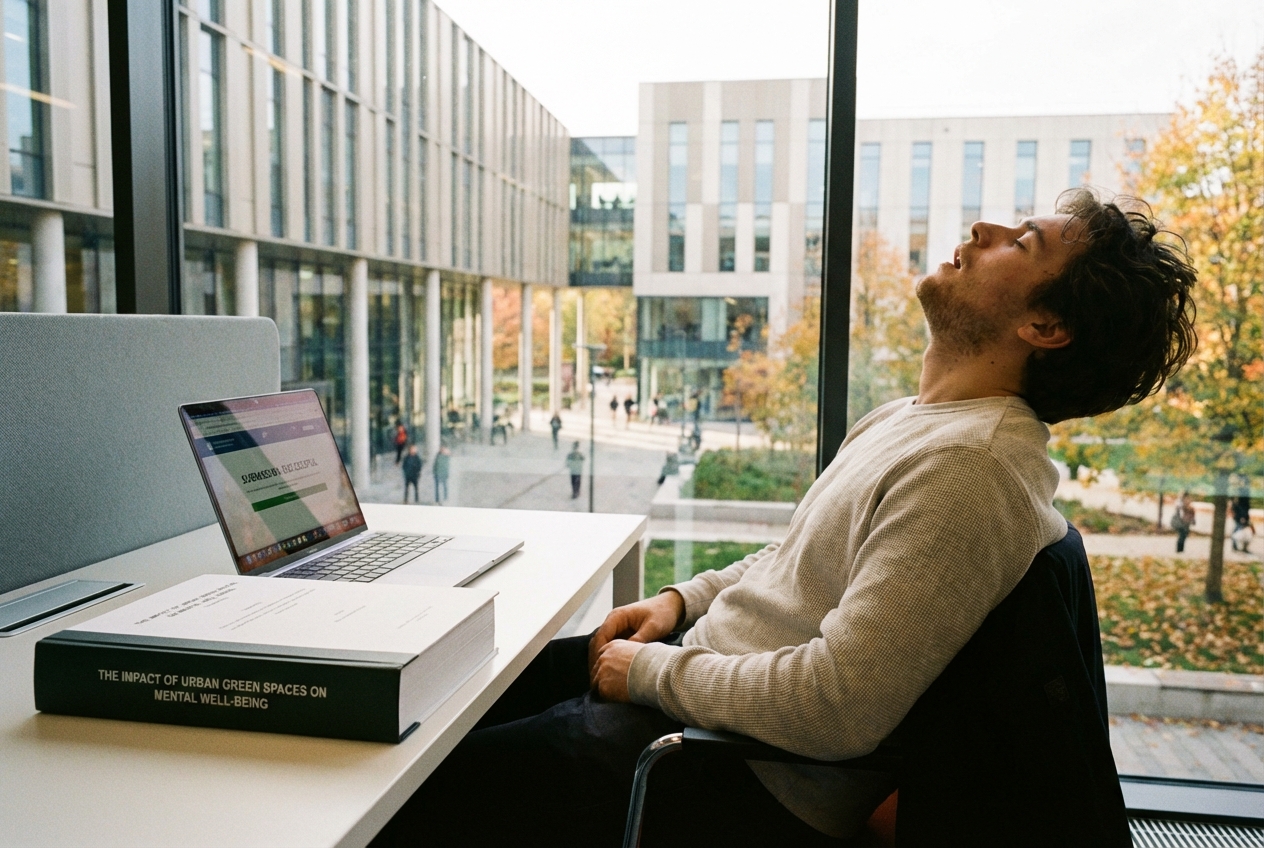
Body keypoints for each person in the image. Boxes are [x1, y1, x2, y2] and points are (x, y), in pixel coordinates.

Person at [376, 190, 1197, 846]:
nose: (983, 228)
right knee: (432, 695)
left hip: (716, 776)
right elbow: (800, 555)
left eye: (1022, 242)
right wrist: (682, 603)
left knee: (400, 796)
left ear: (1045, 327)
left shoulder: (971, 471)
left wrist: (649, 671)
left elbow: (837, 706)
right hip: (690, 697)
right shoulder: (916, 420)